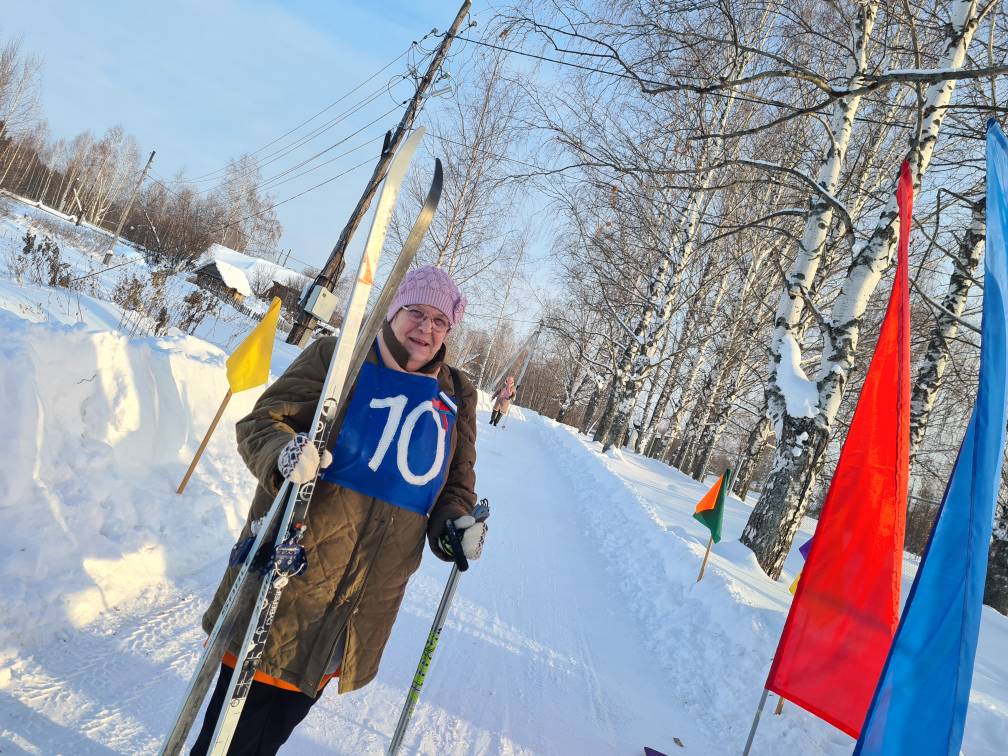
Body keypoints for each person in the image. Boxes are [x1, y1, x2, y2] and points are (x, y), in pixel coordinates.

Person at [191, 265, 486, 755]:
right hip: (286, 583)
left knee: (268, 737)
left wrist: (455, 523)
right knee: (225, 739)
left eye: (439, 321)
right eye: (416, 312)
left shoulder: (456, 395)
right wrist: (286, 454)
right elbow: (262, 423)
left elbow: (456, 482)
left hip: (358, 605)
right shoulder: (339, 357)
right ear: (393, 312)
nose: (426, 329)